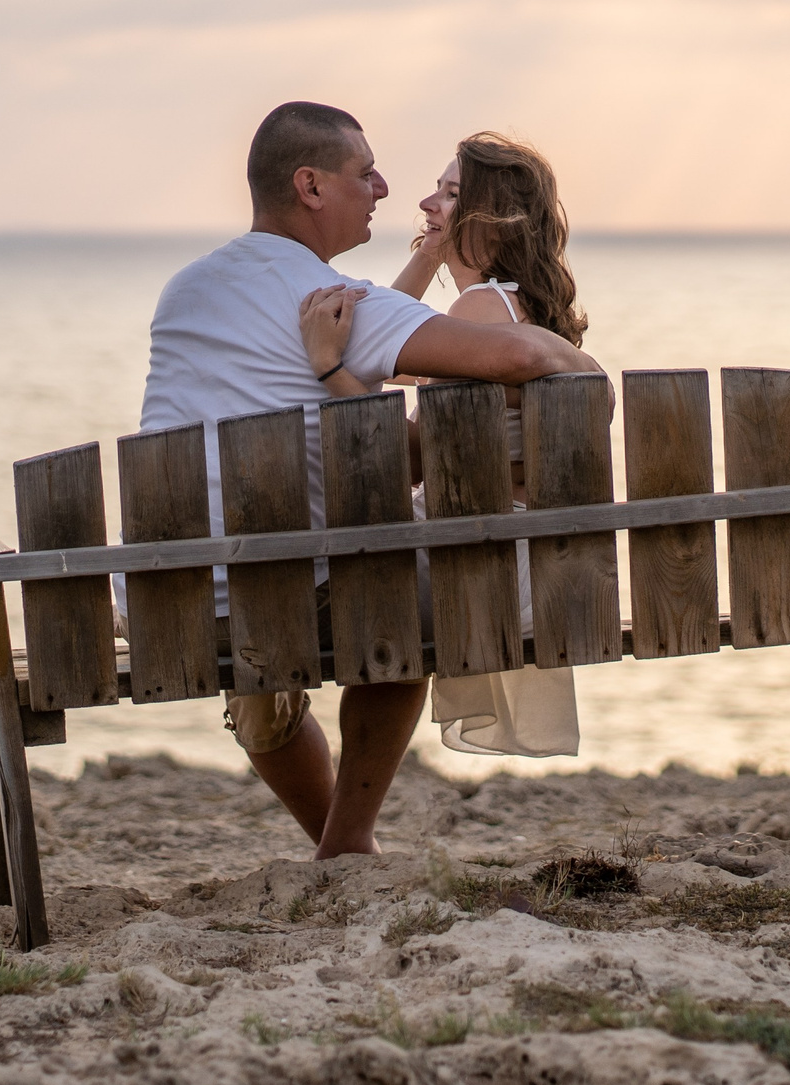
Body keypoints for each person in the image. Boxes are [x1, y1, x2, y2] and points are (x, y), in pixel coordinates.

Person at [138, 102, 601, 859]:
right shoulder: (331, 301)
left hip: (168, 593)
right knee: (397, 616)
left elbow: (390, 411)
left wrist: (344, 360)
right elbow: (516, 362)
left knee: (309, 585)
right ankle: (347, 841)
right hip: (286, 591)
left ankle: (343, 843)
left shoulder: (185, 291)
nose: (386, 187)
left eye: (440, 189)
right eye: (366, 172)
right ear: (311, 186)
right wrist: (591, 374)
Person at [298, 132, 590, 757]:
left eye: (450, 195)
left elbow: (407, 459)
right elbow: (373, 345)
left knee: (290, 575)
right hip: (511, 554)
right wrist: (432, 258)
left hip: (481, 566)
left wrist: (327, 371)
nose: (427, 205)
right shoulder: (501, 309)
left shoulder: (482, 312)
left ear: (496, 220)